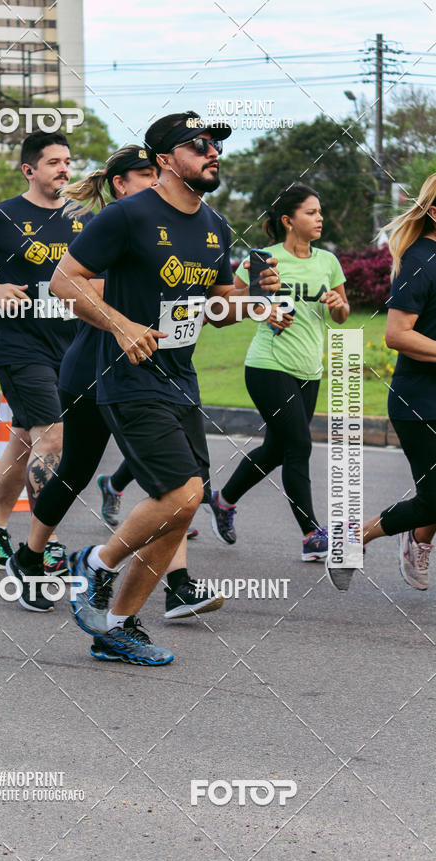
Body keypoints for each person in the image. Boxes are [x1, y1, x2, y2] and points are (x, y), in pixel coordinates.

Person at [48, 111, 279, 665]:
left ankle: (119, 626)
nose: (212, 153)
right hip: (127, 378)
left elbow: (219, 308)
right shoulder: (128, 215)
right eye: (199, 144)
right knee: (181, 493)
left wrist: (257, 300)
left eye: (216, 145)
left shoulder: (215, 225)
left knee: (180, 509)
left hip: (181, 375)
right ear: (165, 159)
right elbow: (62, 281)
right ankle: (94, 566)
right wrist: (121, 324)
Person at [6, 145, 223, 639]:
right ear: (120, 184)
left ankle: (178, 583)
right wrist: (128, 304)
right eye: (142, 175)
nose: (151, 182)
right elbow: (78, 288)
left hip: (152, 370)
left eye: (154, 173)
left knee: (174, 484)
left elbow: (191, 295)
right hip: (94, 367)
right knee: (78, 467)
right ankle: (31, 553)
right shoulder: (117, 226)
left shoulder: (183, 226)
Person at [0, 130, 93, 575]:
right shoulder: (1, 217)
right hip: (18, 346)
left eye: (67, 160)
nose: (64, 168)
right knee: (53, 436)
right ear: (30, 170)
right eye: (53, 162)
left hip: (69, 345)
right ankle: (43, 544)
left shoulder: (82, 219)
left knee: (28, 435)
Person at [208, 183, 349, 561]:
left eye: (320, 212)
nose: (319, 218)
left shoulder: (327, 262)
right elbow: (226, 306)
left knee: (275, 448)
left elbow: (342, 313)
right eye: (311, 212)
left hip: (309, 368)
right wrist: (261, 309)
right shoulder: (262, 259)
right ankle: (310, 534)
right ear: (288, 220)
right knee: (299, 444)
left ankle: (223, 500)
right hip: (268, 364)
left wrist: (337, 303)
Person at [327, 174, 436, 592]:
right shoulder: (421, 260)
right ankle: (353, 539)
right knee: (435, 497)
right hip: (421, 401)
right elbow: (397, 334)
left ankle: (416, 542)